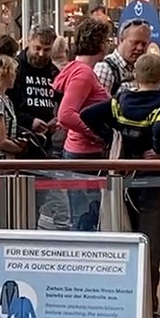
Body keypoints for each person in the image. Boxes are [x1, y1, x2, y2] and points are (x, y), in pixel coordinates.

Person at [81, 51, 160, 318]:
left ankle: (124, 311)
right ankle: (147, 317)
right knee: (150, 252)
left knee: (124, 249)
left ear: (135, 76)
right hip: (154, 187)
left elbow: (87, 115)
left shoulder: (120, 102)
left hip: (122, 185)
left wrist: (111, 136)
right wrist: (159, 150)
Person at [53, 18, 112, 231]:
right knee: (85, 217)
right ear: (100, 43)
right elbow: (66, 115)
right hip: (86, 153)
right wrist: (96, 134)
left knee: (84, 214)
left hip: (80, 152)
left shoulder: (76, 69)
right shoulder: (84, 74)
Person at [93, 17, 150, 95]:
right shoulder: (106, 69)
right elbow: (99, 105)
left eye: (144, 44)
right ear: (121, 40)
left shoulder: (142, 69)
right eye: (135, 43)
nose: (140, 48)